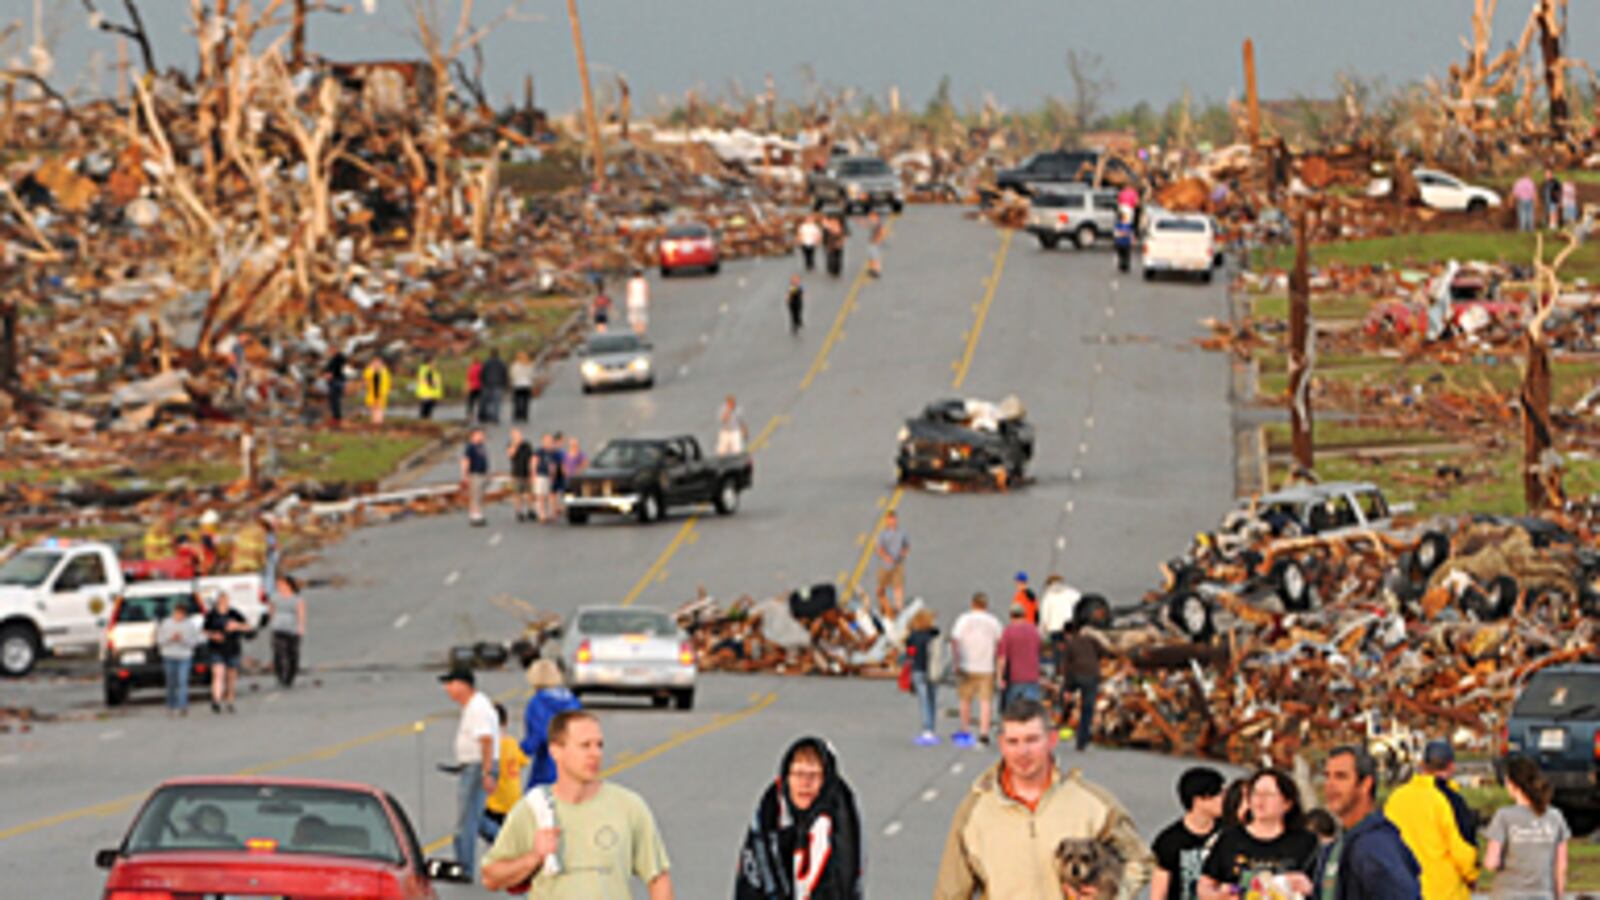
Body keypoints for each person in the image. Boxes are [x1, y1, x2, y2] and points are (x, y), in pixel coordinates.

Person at [933, 699, 1152, 899]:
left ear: (1052, 739)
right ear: (1001, 744)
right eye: (1013, 742)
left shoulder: (1094, 803)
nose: (1023, 752)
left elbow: (1140, 861)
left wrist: (1113, 895)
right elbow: (950, 891)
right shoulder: (975, 810)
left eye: (1032, 740)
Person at [482, 711, 673, 898]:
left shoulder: (629, 807)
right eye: (585, 746)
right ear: (555, 751)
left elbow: (658, 878)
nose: (595, 754)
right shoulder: (533, 809)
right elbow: (490, 877)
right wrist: (534, 858)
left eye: (599, 745)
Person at [735, 736, 865, 900]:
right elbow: (752, 877)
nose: (805, 783)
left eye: (814, 775)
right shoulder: (771, 808)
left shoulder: (839, 819)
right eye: (798, 774)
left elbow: (842, 884)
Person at [1312, 746, 1422, 900]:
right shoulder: (1341, 845)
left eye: (1341, 777)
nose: (1330, 785)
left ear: (1365, 784)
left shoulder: (1375, 847)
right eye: (1327, 776)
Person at [1197, 769, 1319, 900]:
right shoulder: (1230, 838)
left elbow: (1324, 887)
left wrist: (1307, 887)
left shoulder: (1306, 841)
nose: (1260, 800)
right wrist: (1219, 896)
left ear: (1287, 803)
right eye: (1255, 793)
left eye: (1268, 794)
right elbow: (1205, 886)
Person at [1385, 740, 1478, 899]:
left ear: (1422, 765)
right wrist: (1472, 875)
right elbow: (1462, 848)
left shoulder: (1396, 799)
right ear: (1451, 766)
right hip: (1443, 891)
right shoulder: (1450, 800)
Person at [441, 669, 499, 883]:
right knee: (476, 818)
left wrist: (487, 772)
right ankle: (512, 847)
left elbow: (486, 740)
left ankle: (464, 867)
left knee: (466, 820)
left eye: (450, 683)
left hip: (477, 767)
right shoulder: (473, 706)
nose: (448, 689)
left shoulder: (478, 707)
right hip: (472, 766)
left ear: (464, 684)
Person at [1484, 756, 1570, 900]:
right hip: (1543, 894)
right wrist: (1558, 896)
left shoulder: (1504, 816)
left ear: (1513, 784)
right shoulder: (1555, 817)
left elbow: (1491, 862)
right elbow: (1561, 865)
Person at [1151, 766, 1226, 900]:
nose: (1224, 799)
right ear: (1199, 800)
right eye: (1219, 794)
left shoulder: (1228, 833)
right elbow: (1158, 894)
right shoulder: (1169, 841)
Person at [949, 592, 1003, 748]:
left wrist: (956, 661)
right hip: (986, 666)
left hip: (967, 664)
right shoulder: (993, 622)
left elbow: (955, 640)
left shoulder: (964, 619)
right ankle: (984, 733)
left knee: (965, 699)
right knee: (985, 701)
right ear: (986, 605)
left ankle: (965, 730)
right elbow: (1000, 643)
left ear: (973, 604)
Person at [521, 659, 583, 789]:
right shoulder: (573, 702)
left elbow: (537, 737)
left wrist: (518, 752)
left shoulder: (537, 703)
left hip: (547, 766)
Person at [482, 703, 529, 844]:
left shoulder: (492, 749)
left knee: (475, 819)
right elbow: (523, 761)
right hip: (514, 801)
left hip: (498, 803)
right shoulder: (512, 743)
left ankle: (503, 843)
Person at [1057, 616, 1106, 751]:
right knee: (1087, 709)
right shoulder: (1090, 640)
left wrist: (1067, 689)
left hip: (1076, 676)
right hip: (1092, 675)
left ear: (1067, 633)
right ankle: (1082, 741)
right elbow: (1104, 651)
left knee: (1064, 695)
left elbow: (1066, 667)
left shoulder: (1070, 645)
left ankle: (1065, 713)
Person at [203, 592, 247, 714]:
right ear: (218, 601)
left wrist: (236, 626)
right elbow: (204, 630)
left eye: (226, 600)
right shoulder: (212, 615)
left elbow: (247, 626)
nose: (224, 603)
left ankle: (230, 700)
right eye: (221, 600)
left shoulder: (234, 613)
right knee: (218, 674)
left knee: (231, 677)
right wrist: (213, 635)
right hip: (216, 648)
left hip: (233, 648)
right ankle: (216, 700)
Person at [158, 601, 203, 717]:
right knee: (171, 682)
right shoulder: (166, 623)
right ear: (174, 612)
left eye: (182, 614)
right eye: (178, 614)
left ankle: (183, 706)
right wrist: (170, 638)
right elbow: (160, 641)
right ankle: (171, 705)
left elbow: (194, 642)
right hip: (169, 655)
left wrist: (183, 639)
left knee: (183, 681)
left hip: (185, 656)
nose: (179, 616)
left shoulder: (189, 625)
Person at [906, 609, 941, 746]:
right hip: (933, 670)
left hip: (918, 670)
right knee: (932, 699)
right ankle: (932, 726)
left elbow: (909, 653)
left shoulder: (914, 636)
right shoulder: (934, 634)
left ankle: (926, 728)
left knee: (924, 699)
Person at [996, 604, 1042, 711]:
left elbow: (1002, 658)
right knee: (1031, 712)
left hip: (1014, 678)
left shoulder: (1008, 632)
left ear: (1011, 616)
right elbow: (1038, 650)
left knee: (1011, 713)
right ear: (1024, 615)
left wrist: (999, 677)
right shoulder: (1034, 631)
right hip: (1032, 676)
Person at [269, 573, 306, 688]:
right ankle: (280, 675)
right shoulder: (274, 597)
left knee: (293, 654)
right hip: (278, 627)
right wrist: (273, 623)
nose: (279, 586)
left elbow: (301, 613)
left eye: (281, 584)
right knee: (279, 653)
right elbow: (271, 611)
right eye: (278, 585)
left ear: (288, 585)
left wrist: (301, 627)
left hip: (292, 628)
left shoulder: (297, 599)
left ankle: (290, 676)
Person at [873, 510, 909, 619]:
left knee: (898, 587)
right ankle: (883, 607)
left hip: (898, 565)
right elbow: (879, 549)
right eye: (890, 520)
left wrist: (904, 553)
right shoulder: (883, 535)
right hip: (885, 566)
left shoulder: (902, 533)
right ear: (886, 522)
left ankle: (899, 608)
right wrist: (886, 557)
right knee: (881, 588)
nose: (892, 522)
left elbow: (906, 546)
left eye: (894, 520)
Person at [1038, 574, 1082, 640]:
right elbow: (1081, 602)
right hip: (1069, 628)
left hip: (1054, 630)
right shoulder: (1071, 593)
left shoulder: (1047, 596)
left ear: (1049, 584)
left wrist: (1041, 632)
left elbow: (1044, 618)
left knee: (1057, 649)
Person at [462, 428, 489, 526]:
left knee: (480, 495)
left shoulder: (481, 446)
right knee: (475, 495)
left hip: (482, 474)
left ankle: (478, 513)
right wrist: (465, 476)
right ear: (473, 435)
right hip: (474, 474)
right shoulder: (470, 447)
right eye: (480, 434)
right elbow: (465, 461)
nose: (482, 436)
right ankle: (474, 515)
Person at [508, 429, 535, 523]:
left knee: (529, 493)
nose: (518, 437)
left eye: (519, 435)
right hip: (516, 473)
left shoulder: (527, 445)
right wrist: (515, 444)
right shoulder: (511, 445)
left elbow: (532, 458)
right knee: (517, 493)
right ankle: (519, 511)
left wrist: (532, 471)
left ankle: (530, 510)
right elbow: (511, 455)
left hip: (527, 472)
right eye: (516, 436)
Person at [533, 432, 558, 523]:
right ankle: (541, 514)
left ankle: (548, 513)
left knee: (548, 496)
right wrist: (533, 475)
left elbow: (553, 465)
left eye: (550, 441)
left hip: (548, 476)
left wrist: (553, 475)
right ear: (543, 441)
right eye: (546, 440)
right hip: (540, 475)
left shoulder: (552, 452)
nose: (548, 442)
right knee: (540, 496)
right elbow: (534, 463)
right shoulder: (539, 451)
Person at [480, 349, 508, 424]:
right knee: (497, 402)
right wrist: (505, 384)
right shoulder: (502, 363)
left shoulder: (487, 362)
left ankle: (488, 416)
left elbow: (482, 373)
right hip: (498, 384)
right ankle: (495, 417)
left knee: (488, 401)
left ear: (491, 354)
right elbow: (504, 373)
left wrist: (483, 382)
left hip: (487, 384)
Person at [362, 357, 391, 425]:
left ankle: (379, 422)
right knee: (373, 407)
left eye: (378, 363)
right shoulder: (369, 370)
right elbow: (366, 378)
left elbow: (388, 382)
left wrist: (387, 390)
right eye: (375, 363)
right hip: (372, 392)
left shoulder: (384, 371)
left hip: (381, 392)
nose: (376, 364)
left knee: (379, 408)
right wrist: (372, 369)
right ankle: (374, 421)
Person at [510, 351, 536, 423]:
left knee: (517, 401)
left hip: (518, 384)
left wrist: (513, 381)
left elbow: (513, 375)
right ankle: (524, 415)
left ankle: (517, 415)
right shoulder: (529, 364)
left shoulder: (515, 365)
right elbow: (532, 375)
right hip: (527, 384)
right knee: (526, 401)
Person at [416, 356, 443, 420]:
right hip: (428, 393)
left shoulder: (427, 370)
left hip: (429, 393)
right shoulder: (428, 370)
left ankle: (424, 421)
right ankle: (424, 422)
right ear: (429, 362)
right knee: (426, 410)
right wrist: (434, 384)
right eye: (434, 361)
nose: (435, 363)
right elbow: (429, 381)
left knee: (426, 410)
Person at [323, 349, 347, 422]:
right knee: (333, 400)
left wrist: (330, 374)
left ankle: (337, 417)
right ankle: (336, 416)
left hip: (337, 381)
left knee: (336, 400)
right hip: (333, 381)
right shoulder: (332, 360)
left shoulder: (339, 358)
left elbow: (339, 366)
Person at [626, 268, 650, 334]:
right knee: (642, 318)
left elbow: (629, 293)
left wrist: (628, 303)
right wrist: (647, 302)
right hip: (642, 302)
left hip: (633, 302)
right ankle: (641, 333)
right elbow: (646, 293)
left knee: (634, 319)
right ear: (641, 275)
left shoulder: (630, 282)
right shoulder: (644, 282)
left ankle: (635, 332)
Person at [1114, 208, 1135, 274]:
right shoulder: (1118, 224)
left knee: (1127, 255)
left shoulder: (1129, 224)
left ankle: (1126, 266)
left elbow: (1131, 233)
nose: (1127, 217)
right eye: (1126, 215)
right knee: (1121, 255)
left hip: (1127, 242)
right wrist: (1124, 233)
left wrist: (1132, 240)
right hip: (1120, 242)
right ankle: (1121, 266)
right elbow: (1116, 233)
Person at [866, 211, 886, 278]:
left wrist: (878, 239)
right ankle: (871, 269)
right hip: (872, 242)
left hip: (875, 243)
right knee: (871, 256)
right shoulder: (874, 223)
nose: (870, 218)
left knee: (875, 257)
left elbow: (882, 231)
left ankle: (876, 271)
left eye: (872, 216)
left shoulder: (878, 224)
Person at [466, 357, 484, 423]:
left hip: (472, 386)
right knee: (480, 402)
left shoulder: (470, 368)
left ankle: (470, 414)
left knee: (471, 402)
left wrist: (467, 386)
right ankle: (480, 415)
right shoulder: (481, 367)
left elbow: (468, 377)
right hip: (480, 386)